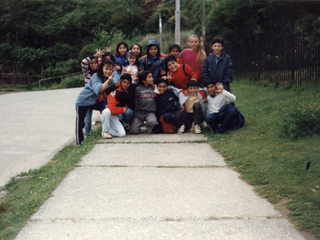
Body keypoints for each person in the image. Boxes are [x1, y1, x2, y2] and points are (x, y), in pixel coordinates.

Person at [75, 59, 115, 145]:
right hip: (83, 101)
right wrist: (108, 81)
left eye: (110, 69)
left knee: (106, 110)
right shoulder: (96, 76)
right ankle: (79, 144)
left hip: (94, 102)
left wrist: (117, 83)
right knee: (80, 124)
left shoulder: (108, 78)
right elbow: (99, 90)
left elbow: (111, 88)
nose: (108, 71)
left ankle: (105, 131)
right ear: (102, 68)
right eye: (106, 69)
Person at [81, 49, 103, 136]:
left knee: (104, 113)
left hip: (99, 97)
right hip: (88, 97)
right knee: (88, 118)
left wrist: (101, 58)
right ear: (89, 65)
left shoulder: (100, 74)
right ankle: (88, 134)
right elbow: (83, 62)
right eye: (91, 63)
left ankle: (105, 130)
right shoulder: (87, 73)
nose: (94, 64)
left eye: (95, 63)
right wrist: (94, 56)